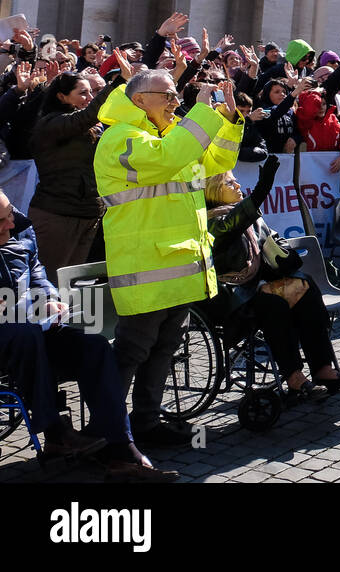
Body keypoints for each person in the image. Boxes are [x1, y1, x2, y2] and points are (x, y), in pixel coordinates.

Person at [94, 70, 243, 447]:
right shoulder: (121, 139)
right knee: (131, 352)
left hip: (175, 267)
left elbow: (213, 165)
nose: (176, 101)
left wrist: (226, 120)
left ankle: (145, 421)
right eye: (168, 95)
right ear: (139, 99)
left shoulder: (167, 137)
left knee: (163, 350)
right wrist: (201, 112)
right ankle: (105, 432)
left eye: (178, 96)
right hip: (145, 269)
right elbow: (171, 155)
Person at [0, 190, 177, 480]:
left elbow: (37, 273)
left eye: (9, 215)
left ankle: (119, 446)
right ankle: (55, 432)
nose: (10, 224)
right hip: (14, 337)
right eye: (2, 221)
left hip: (29, 326)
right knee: (25, 334)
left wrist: (49, 298)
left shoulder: (19, 228)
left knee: (93, 346)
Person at [204, 162, 340, 402]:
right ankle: (294, 378)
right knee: (274, 305)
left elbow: (267, 244)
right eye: (229, 182)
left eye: (236, 180)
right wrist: (262, 188)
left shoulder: (246, 214)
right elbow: (234, 224)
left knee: (306, 288)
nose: (237, 185)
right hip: (231, 295)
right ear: (214, 190)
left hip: (257, 285)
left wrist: (282, 255)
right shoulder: (212, 222)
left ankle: (323, 369)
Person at [27, 53, 132, 276]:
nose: (89, 97)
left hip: (89, 213)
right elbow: (87, 116)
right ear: (62, 97)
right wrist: (118, 82)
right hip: (58, 213)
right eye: (82, 93)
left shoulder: (93, 126)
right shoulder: (52, 124)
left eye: (92, 92)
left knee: (71, 286)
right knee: (49, 283)